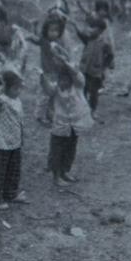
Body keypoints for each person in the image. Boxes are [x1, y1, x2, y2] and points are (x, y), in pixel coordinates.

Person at [46, 56, 93, 187]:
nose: (63, 82)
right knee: (57, 151)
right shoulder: (56, 90)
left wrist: (68, 65)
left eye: (66, 79)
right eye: (61, 79)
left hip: (74, 127)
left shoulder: (77, 87)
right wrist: (42, 78)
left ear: (71, 80)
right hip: (59, 128)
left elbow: (79, 77)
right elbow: (47, 89)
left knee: (70, 150)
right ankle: (56, 176)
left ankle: (65, 171)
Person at [0, 69, 27, 210]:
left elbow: (20, 121)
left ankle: (10, 193)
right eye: (15, 88)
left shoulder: (17, 101)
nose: (18, 91)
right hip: (2, 143)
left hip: (14, 142)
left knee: (13, 170)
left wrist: (21, 138)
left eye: (19, 88)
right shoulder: (2, 100)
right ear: (6, 88)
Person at [76, 16, 114, 118]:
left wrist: (103, 67)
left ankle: (93, 110)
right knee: (82, 90)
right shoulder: (88, 39)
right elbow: (80, 34)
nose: (91, 30)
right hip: (84, 70)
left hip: (96, 72)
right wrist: (75, 26)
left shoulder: (105, 43)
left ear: (100, 30)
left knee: (93, 93)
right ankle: (83, 109)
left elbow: (110, 55)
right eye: (90, 27)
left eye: (94, 28)